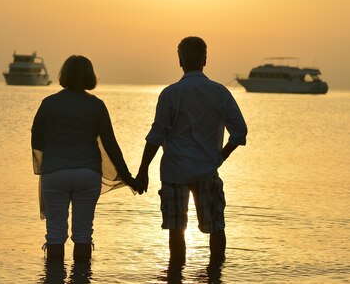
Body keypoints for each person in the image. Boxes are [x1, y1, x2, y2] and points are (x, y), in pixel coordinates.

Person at [136, 36, 247, 263]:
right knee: (216, 227)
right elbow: (240, 132)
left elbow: (156, 136)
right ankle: (215, 283)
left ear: (180, 61)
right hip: (207, 170)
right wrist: (221, 156)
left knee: (176, 229)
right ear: (205, 60)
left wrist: (142, 170)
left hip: (174, 172)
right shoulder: (220, 93)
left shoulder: (170, 94)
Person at [31, 55, 139, 261]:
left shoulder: (49, 103)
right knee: (83, 233)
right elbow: (111, 145)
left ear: (64, 75)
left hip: (55, 172)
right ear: (89, 77)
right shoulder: (96, 106)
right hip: (87, 173)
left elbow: (36, 139)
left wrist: (48, 160)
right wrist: (128, 177)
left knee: (55, 235)